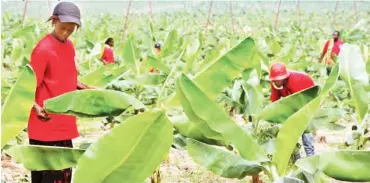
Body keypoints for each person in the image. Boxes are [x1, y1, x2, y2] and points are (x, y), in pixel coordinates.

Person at [28, 2, 93, 183]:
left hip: (64, 121)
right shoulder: (43, 49)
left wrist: (81, 86)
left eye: (70, 30)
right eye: (63, 28)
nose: (65, 33)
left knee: (62, 175)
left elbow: (64, 76)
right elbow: (28, 87)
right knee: (47, 176)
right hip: (45, 122)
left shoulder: (69, 46)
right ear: (54, 21)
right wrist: (35, 106)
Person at [269, 63, 315, 159]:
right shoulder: (274, 82)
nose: (277, 82)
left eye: (279, 79)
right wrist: (274, 119)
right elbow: (275, 101)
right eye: (275, 80)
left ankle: (310, 155)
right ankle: (296, 157)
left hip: (307, 99)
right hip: (291, 101)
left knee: (304, 127)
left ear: (285, 77)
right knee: (290, 130)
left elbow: (300, 104)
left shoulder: (296, 81)